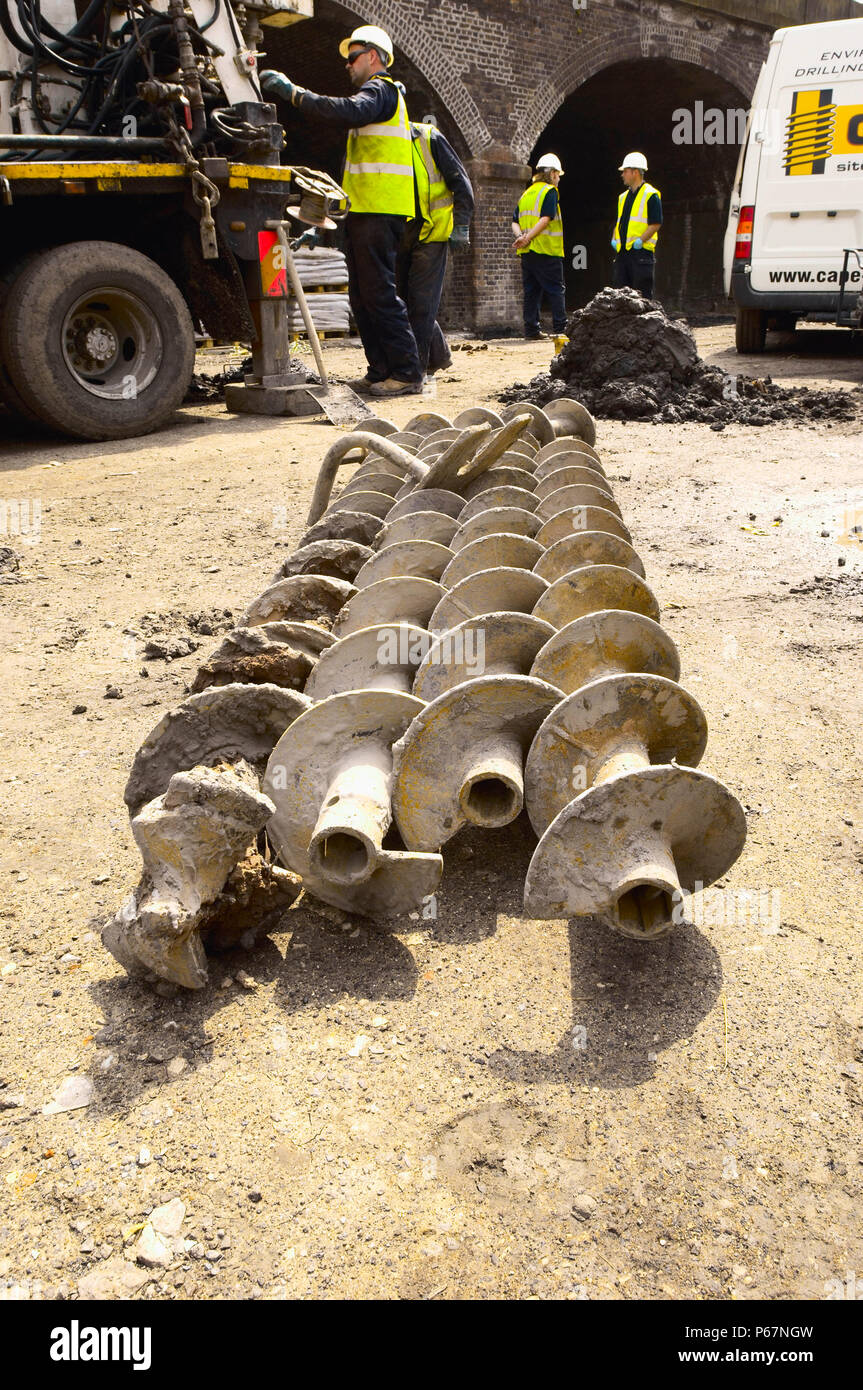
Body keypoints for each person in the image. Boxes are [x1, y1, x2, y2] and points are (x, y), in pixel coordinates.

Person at [260, 26, 423, 398]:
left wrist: (295, 94)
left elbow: (348, 109)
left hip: (382, 211)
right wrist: (323, 225)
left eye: (353, 57)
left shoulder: (382, 91)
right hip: (366, 211)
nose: (347, 65)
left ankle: (408, 372)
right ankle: (380, 369)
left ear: (374, 57)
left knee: (380, 293)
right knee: (362, 299)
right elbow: (354, 175)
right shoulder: (374, 107)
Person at [397, 119, 474, 384]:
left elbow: (461, 182)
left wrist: (461, 225)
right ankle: (439, 356)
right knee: (405, 300)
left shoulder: (428, 137)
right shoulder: (385, 145)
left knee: (420, 302)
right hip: (401, 235)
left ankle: (416, 371)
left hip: (432, 232)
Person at [511, 154, 566, 341]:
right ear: (551, 174)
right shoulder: (549, 192)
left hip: (527, 252)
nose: (558, 179)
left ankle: (531, 330)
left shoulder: (526, 193)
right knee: (555, 289)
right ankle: (561, 329)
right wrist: (528, 238)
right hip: (546, 249)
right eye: (557, 175)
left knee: (531, 291)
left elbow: (514, 221)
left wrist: (521, 237)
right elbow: (546, 218)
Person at [611, 152, 663, 298]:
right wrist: (614, 238)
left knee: (642, 296)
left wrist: (641, 241)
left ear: (635, 172)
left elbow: (655, 223)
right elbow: (619, 222)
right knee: (621, 297)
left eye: (625, 171)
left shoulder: (651, 194)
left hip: (641, 254)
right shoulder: (622, 197)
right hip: (623, 254)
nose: (622, 175)